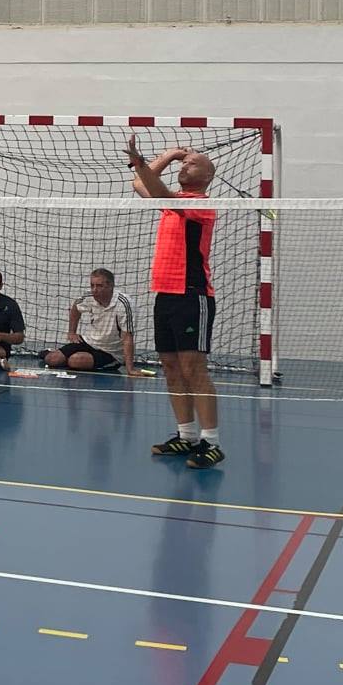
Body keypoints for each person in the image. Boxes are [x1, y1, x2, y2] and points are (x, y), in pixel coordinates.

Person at [128, 135, 223, 469]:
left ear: (207, 175)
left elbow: (153, 187)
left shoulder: (200, 205)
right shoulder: (172, 202)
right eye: (184, 162)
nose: (185, 165)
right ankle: (187, 436)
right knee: (170, 367)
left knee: (193, 369)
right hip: (165, 294)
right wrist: (168, 156)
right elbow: (139, 183)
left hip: (192, 295)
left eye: (192, 163)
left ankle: (211, 442)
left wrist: (144, 160)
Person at [44, 267, 139, 373]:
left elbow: (128, 337)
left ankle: (75, 361)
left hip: (111, 352)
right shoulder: (89, 296)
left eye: (99, 286)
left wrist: (130, 369)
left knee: (75, 361)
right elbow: (75, 308)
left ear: (110, 286)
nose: (94, 289)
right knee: (52, 359)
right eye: (92, 285)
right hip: (90, 342)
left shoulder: (124, 303)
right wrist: (72, 332)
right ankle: (51, 354)